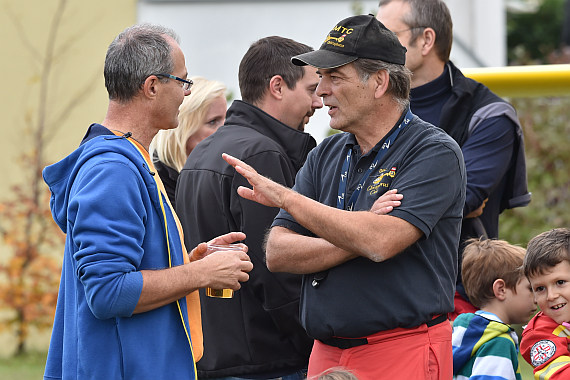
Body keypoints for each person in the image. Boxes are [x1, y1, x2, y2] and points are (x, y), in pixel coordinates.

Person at [221, 14, 466, 380]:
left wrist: (288, 199)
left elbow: (383, 241)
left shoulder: (433, 151)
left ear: (380, 82)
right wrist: (358, 233)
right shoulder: (327, 153)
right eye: (321, 78)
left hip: (401, 351)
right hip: (326, 356)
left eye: (334, 77)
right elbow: (278, 251)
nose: (321, 91)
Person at [41, 24, 253, 380]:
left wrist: (187, 261)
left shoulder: (129, 160)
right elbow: (108, 292)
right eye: (183, 82)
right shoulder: (113, 171)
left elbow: (124, 268)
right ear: (153, 86)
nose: (187, 93)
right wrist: (199, 274)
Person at [175, 36, 322, 380]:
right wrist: (314, 342)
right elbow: (278, 270)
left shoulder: (202, 152)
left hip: (210, 356)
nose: (318, 102)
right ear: (278, 87)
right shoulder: (261, 155)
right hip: (267, 360)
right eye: (311, 89)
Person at [376, 0, 531, 317]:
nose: (376, 46)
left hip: (453, 298)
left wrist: (374, 202)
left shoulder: (489, 114)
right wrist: (442, 193)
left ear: (426, 40)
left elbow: (465, 197)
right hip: (376, 291)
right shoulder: (370, 105)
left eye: (388, 35)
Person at [452, 239, 536, 380]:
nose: (537, 298)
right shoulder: (498, 342)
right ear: (501, 289)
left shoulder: (462, 331)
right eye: (531, 289)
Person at [149, 76, 227, 207]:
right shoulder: (156, 191)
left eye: (227, 118)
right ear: (183, 129)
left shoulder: (221, 177)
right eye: (213, 122)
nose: (226, 129)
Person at [520, 228, 570, 380]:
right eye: (540, 288)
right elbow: (559, 376)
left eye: (560, 282)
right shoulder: (539, 334)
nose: (551, 296)